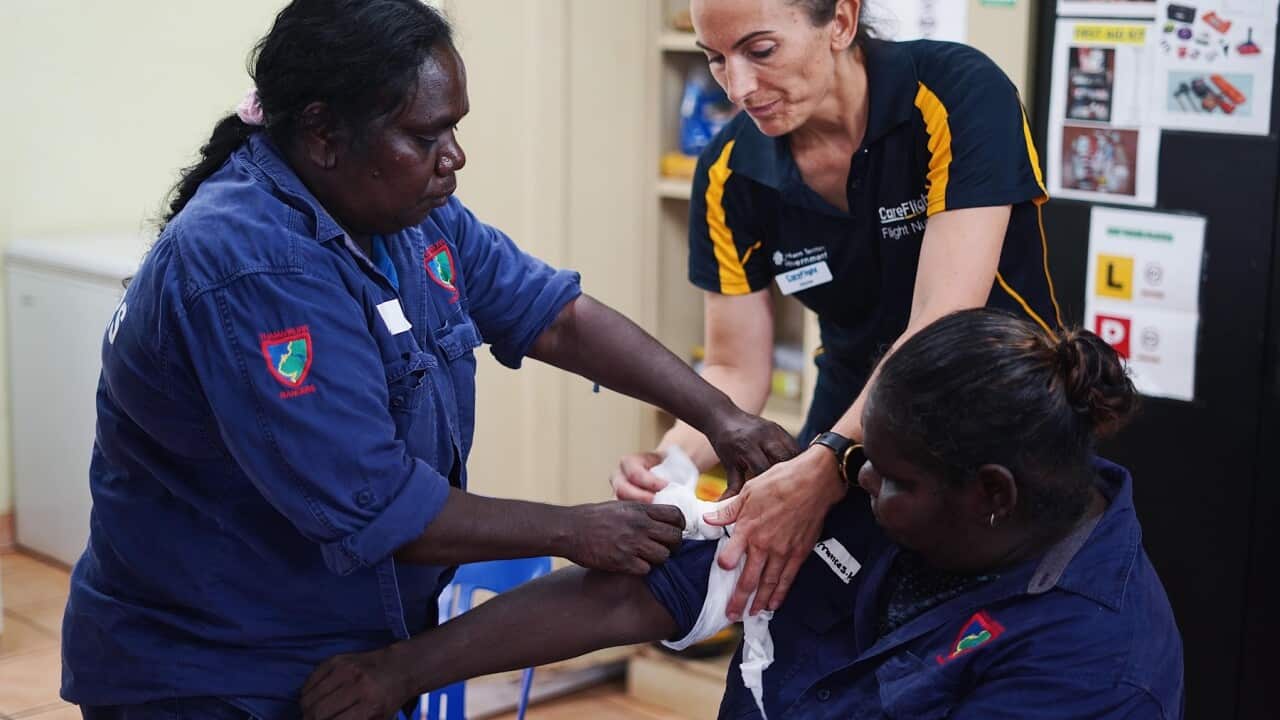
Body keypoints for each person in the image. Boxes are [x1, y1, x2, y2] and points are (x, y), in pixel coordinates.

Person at [60, 2, 797, 718]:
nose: (455, 156)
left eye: (454, 128)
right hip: (209, 667)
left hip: (345, 647)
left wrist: (719, 416)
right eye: (426, 134)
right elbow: (375, 504)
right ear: (323, 133)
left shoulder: (405, 213)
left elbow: (556, 317)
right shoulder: (252, 264)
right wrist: (574, 529)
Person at [299, 309, 1185, 720]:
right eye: (859, 455)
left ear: (991, 494)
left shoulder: (1097, 668)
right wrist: (400, 671)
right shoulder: (863, 495)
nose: (856, 480)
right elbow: (636, 594)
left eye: (891, 477)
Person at [611, 0, 1067, 622]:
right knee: (807, 622)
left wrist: (828, 463)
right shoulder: (727, 172)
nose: (739, 87)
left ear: (842, 22)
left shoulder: (954, 94)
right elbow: (734, 366)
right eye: (716, 60)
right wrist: (676, 460)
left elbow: (941, 321)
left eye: (760, 51)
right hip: (850, 407)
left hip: (998, 410)